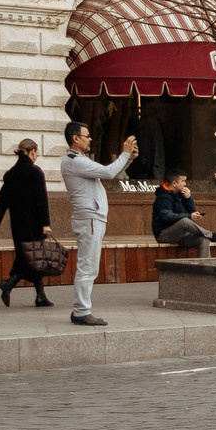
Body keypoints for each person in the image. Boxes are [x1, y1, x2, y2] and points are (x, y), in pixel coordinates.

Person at [58, 122, 135, 327]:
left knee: (88, 265)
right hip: (89, 217)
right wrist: (125, 154)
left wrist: (127, 159)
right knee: (88, 266)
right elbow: (109, 173)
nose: (90, 138)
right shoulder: (74, 161)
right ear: (75, 138)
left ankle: (81, 310)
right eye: (87, 135)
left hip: (92, 216)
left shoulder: (79, 160)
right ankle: (81, 311)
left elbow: (107, 173)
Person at [0, 137, 58, 307]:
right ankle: (9, 283)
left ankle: (40, 296)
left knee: (29, 257)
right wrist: (45, 224)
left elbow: (3, 201)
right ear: (32, 151)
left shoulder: (10, 174)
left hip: (17, 225)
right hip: (34, 223)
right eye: (37, 152)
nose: (37, 156)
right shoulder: (35, 172)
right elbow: (41, 200)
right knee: (33, 257)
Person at [152, 171, 216, 258]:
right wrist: (189, 216)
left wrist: (188, 198)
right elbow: (167, 216)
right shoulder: (163, 198)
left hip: (182, 235)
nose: (185, 184)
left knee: (203, 240)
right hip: (164, 235)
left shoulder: (180, 195)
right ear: (174, 183)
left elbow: (192, 212)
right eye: (183, 181)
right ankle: (212, 235)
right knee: (185, 221)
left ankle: (205, 267)